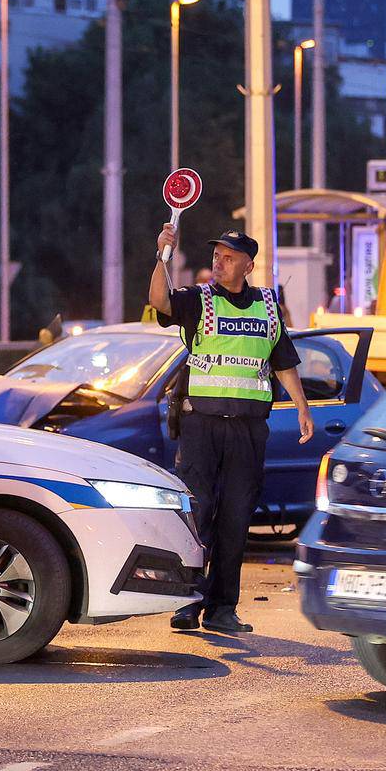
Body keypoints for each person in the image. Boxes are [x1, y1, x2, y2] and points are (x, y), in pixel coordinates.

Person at [149, 226, 313, 635]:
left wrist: (302, 407)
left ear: (247, 265)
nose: (218, 261)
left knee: (236, 520)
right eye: (217, 255)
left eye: (228, 256)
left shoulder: (268, 308)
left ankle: (223, 609)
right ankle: (187, 604)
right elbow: (158, 301)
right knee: (197, 516)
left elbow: (283, 363)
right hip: (201, 427)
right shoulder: (199, 299)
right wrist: (163, 257)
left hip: (248, 429)